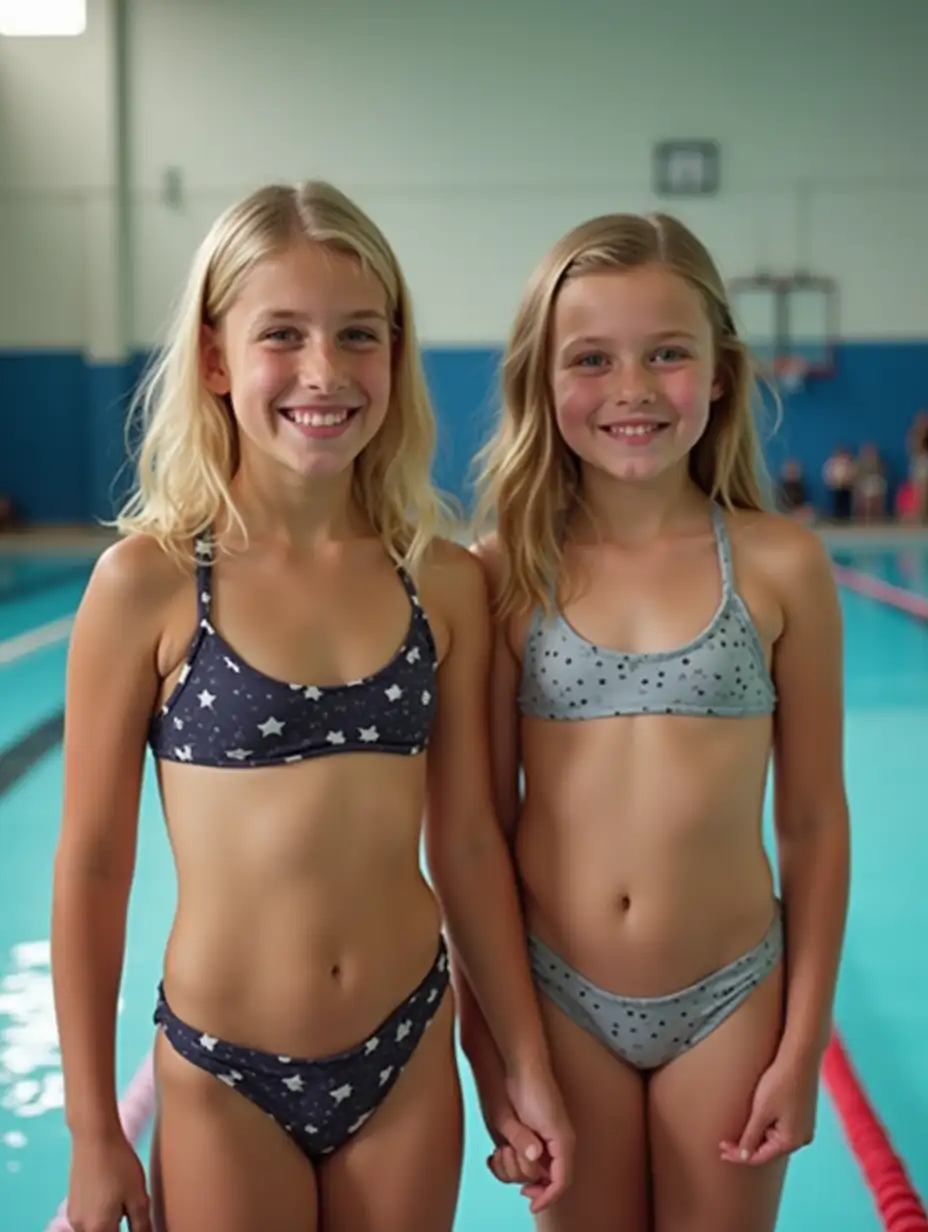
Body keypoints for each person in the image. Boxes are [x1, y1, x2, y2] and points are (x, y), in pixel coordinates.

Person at [51, 180, 571, 1232]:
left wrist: (522, 1058)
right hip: (222, 1069)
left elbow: (468, 842)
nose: (324, 372)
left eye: (358, 335)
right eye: (281, 335)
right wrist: (94, 1128)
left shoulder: (442, 579)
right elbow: (95, 863)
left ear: (395, 352)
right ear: (212, 358)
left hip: (407, 1043)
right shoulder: (147, 583)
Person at [463, 211, 850, 1231]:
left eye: (666, 353)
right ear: (542, 382)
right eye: (591, 358)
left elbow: (812, 822)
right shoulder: (505, 572)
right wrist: (495, 1042)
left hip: (729, 998)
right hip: (558, 998)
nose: (632, 389)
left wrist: (802, 1043)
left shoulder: (779, 565)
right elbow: (472, 832)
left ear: (719, 372)